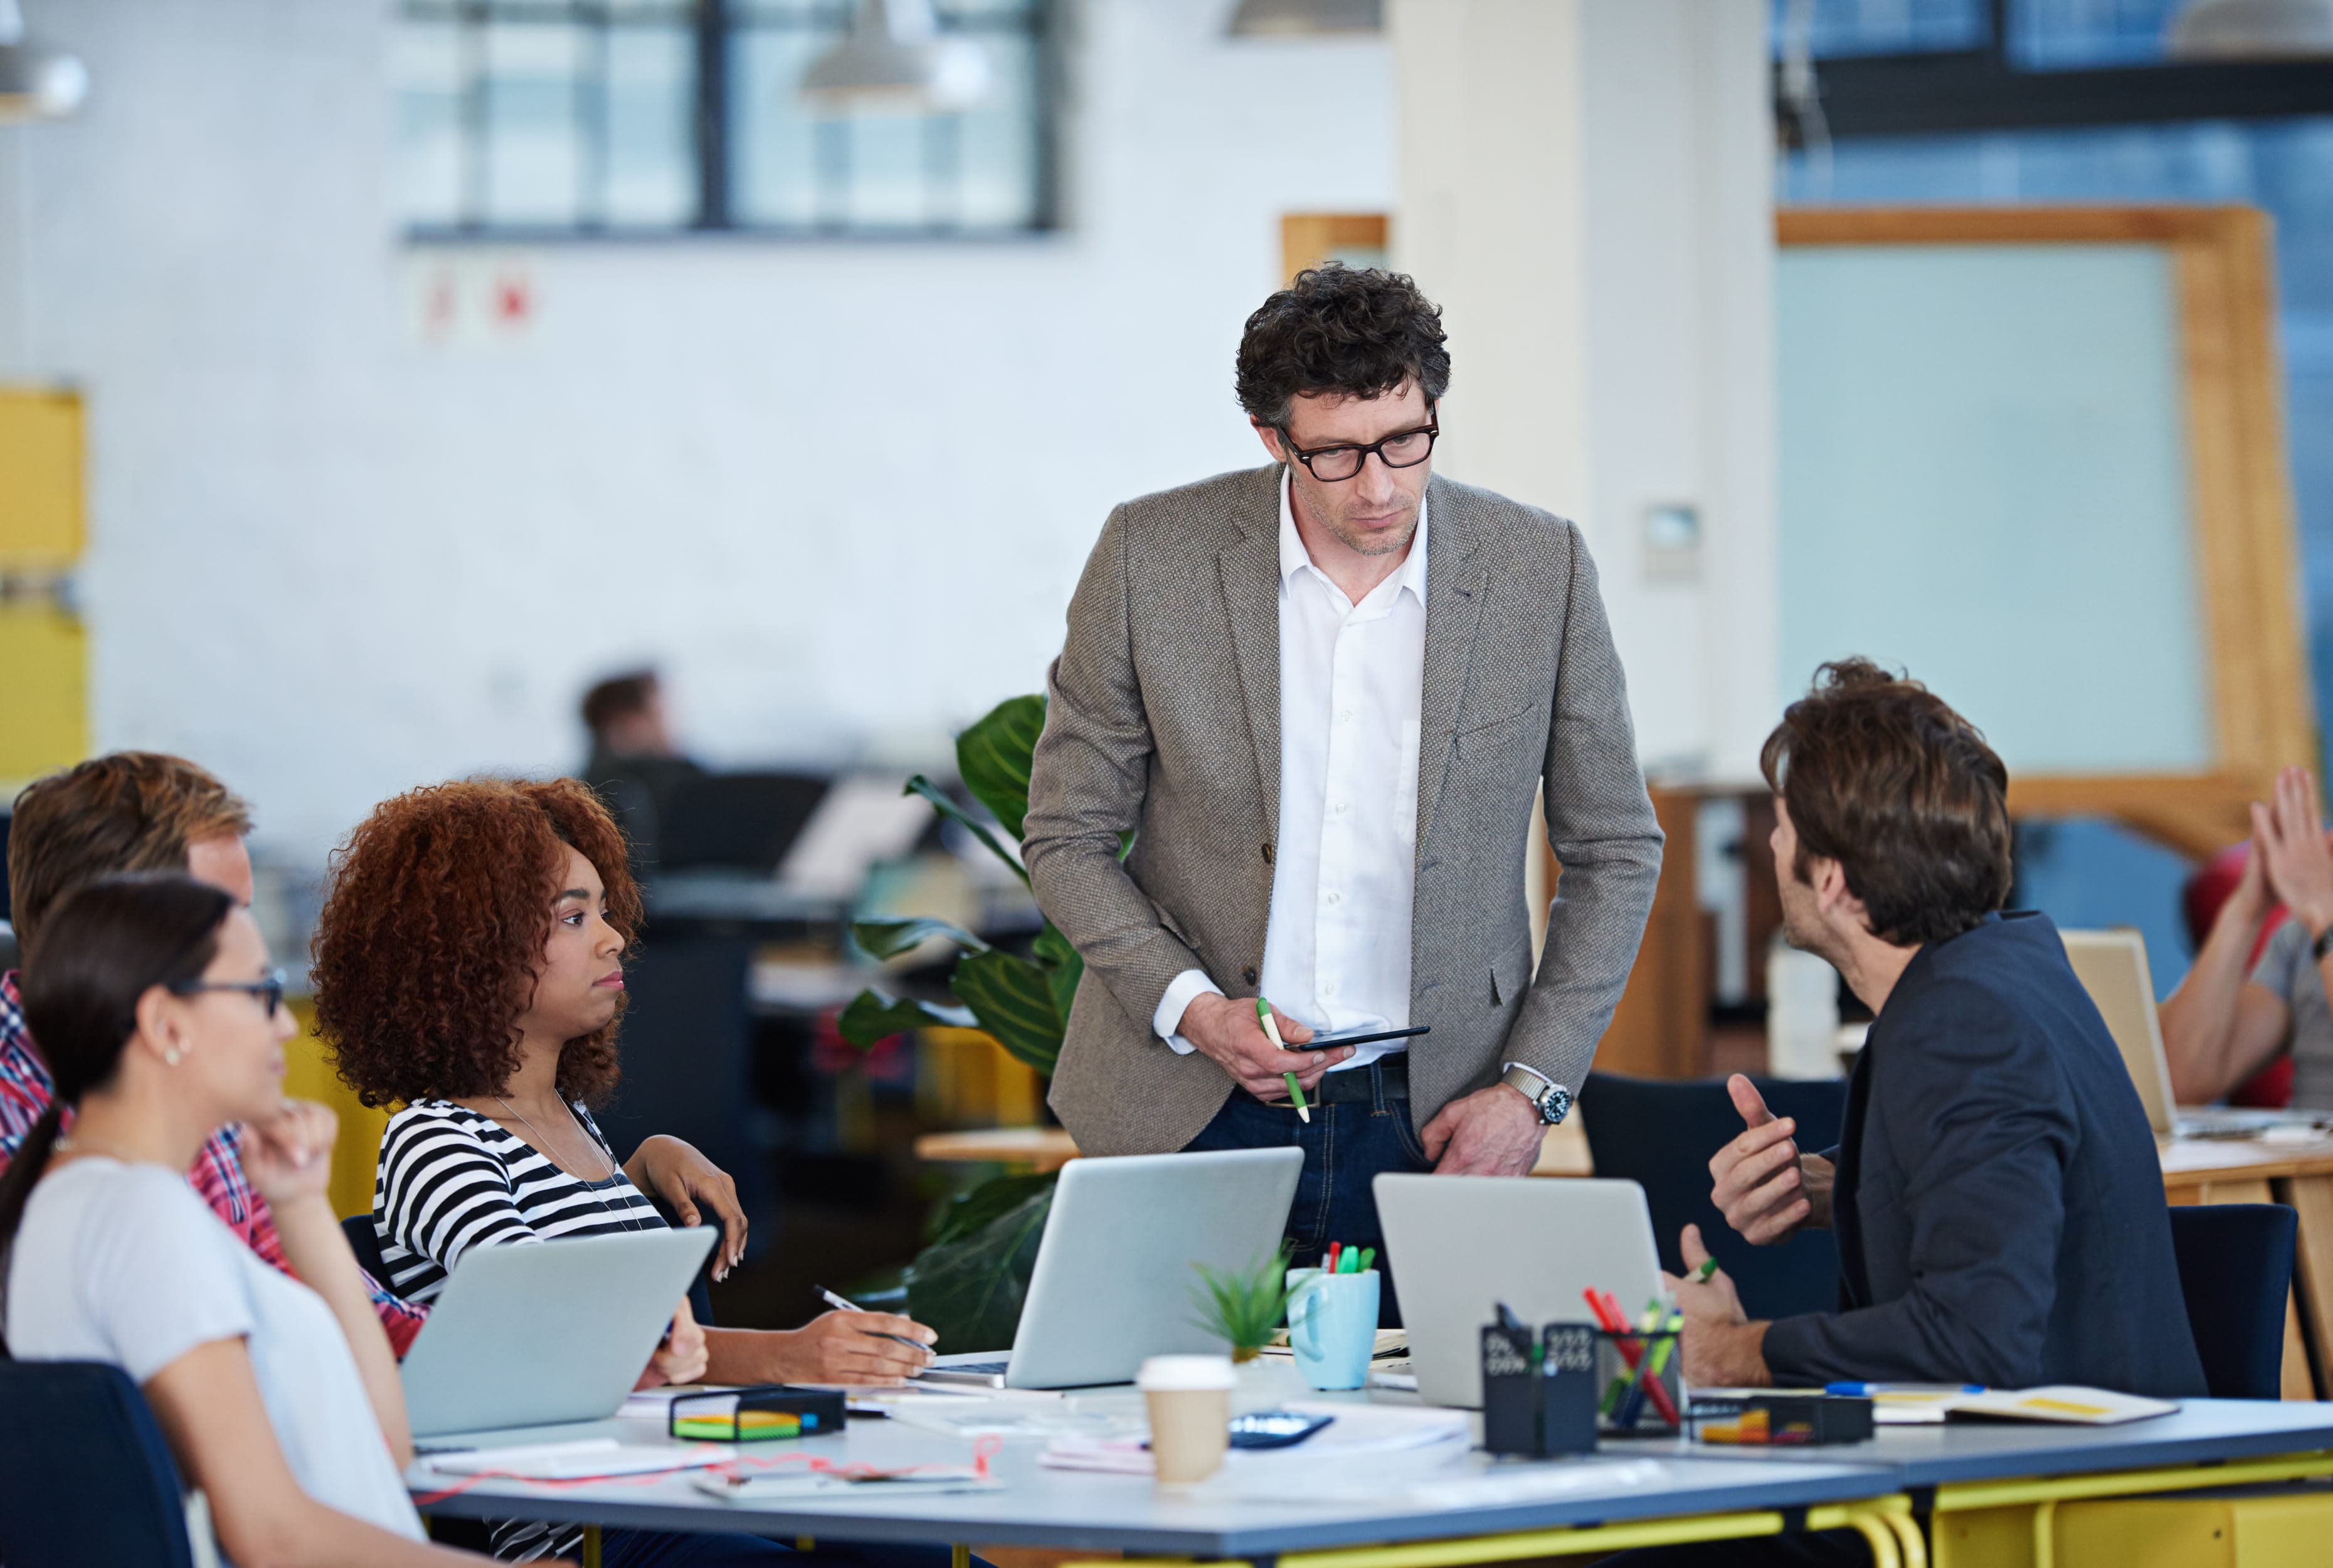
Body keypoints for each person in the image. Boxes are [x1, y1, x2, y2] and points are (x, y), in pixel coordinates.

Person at [1023, 265, 1662, 1296]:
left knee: (1428, 1440)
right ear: (1270, 437)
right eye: (1334, 454)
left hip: (1438, 1109)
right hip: (1186, 1104)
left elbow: (1616, 849)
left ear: (1433, 410)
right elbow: (1064, 834)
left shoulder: (1539, 568)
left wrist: (1533, 1092)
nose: (1377, 486)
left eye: (1405, 440)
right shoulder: (1152, 557)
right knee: (1168, 1440)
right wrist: (1193, 1007)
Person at [314, 777, 942, 1562]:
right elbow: (565, 1340)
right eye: (575, 918)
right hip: (592, 1529)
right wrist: (789, 1354)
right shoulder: (435, 1140)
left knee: (922, 1544)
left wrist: (640, 1171)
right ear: (474, 955)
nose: (613, 938)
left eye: (605, 911)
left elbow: (570, 1247)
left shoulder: (573, 1127)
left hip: (683, 1488)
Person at [0, 753, 746, 1354]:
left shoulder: (209, 1117)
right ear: (106, 932)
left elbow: (359, 1331)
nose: (282, 1021)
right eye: (221, 918)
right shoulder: (96, 1174)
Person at [1671, 660, 2206, 1402]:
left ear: (1829, 878)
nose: (1770, 848)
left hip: (2067, 1487)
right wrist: (1837, 1186)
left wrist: (1733, 1352)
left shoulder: (1962, 1027)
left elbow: (1976, 1341)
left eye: (1783, 826)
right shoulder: (2002, 972)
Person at [0, 874, 480, 1566]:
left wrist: (300, 1205)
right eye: (259, 993)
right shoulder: (143, 1217)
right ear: (166, 1024)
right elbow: (272, 1537)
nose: (286, 1021)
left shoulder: (71, 1199)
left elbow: (381, 1449)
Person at [2159, 764, 2333, 1109]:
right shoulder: (2300, 936)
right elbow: (2179, 1080)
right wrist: (2247, 908)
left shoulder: (2319, 920)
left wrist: (2324, 916)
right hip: (2304, 1163)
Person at [579, 669, 706, 872]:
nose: (667, 723)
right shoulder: (639, 784)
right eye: (657, 713)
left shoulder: (585, 784)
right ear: (630, 722)